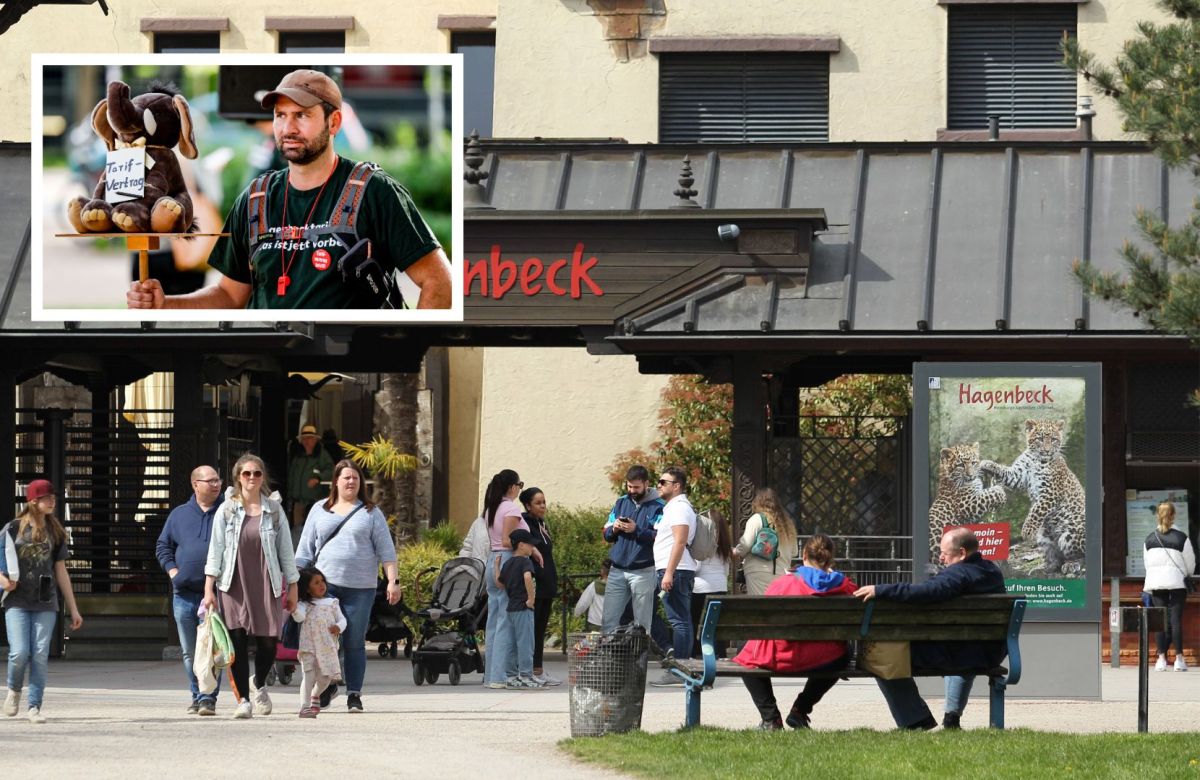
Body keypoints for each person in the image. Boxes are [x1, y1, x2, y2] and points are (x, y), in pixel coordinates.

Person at [126, 68, 452, 311]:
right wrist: (166, 303)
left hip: (353, 381)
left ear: (334, 122)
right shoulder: (255, 199)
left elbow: (440, 283)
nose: (288, 127)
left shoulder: (375, 191)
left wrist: (403, 360)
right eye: (280, 115)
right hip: (267, 378)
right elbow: (229, 295)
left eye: (302, 115)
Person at [854, 527, 1006, 730]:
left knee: (882, 657)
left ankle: (914, 720)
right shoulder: (991, 571)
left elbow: (929, 590)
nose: (942, 558)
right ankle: (950, 719)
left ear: (962, 553)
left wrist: (880, 590)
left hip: (959, 653)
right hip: (987, 652)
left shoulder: (960, 573)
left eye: (945, 553)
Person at [295, 459, 401, 713]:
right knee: (326, 640)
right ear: (336, 481)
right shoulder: (320, 509)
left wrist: (393, 582)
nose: (351, 481)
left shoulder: (370, 512)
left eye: (355, 477)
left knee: (353, 640)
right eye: (346, 477)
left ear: (360, 482)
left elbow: (387, 550)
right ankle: (328, 685)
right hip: (323, 587)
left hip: (360, 588)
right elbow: (304, 550)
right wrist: (295, 583)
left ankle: (354, 693)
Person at [203, 453, 298, 719]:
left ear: (263, 477)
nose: (252, 478)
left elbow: (286, 552)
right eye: (247, 474)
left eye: (257, 473)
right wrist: (209, 588)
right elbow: (216, 550)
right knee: (238, 642)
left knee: (269, 643)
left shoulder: (274, 510)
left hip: (266, 582)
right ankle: (243, 699)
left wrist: (293, 585)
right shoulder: (227, 509)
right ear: (238, 477)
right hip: (233, 583)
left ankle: (258, 682)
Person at [734, 534, 858, 730]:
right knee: (844, 652)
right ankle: (800, 709)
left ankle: (771, 718)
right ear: (830, 558)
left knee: (745, 651)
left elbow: (764, 622)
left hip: (782, 656)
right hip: (825, 659)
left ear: (804, 554)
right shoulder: (844, 586)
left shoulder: (783, 584)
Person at [0, 480, 83, 724]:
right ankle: (14, 689)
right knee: (19, 653)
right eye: (47, 498)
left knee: (39, 654)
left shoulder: (56, 532)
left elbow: (61, 571)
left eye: (53, 498)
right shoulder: (12, 529)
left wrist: (73, 608)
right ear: (33, 501)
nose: (52, 501)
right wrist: (3, 580)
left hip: (46, 600)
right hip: (16, 600)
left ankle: (34, 706)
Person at [155, 464, 224, 715]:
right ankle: (197, 694)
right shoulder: (179, 514)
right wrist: (173, 572)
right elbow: (163, 546)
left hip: (216, 595)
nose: (216, 484)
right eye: (210, 481)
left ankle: (208, 697)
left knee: (213, 649)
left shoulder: (227, 512)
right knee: (190, 651)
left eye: (218, 480)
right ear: (196, 484)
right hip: (184, 594)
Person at [481, 469, 539, 689]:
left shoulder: (491, 508)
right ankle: (499, 676)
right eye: (520, 484)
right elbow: (508, 541)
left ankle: (491, 676)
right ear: (512, 486)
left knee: (493, 620)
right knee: (506, 620)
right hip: (507, 561)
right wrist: (532, 550)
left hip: (492, 560)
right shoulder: (511, 509)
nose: (519, 489)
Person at [601, 465, 665, 633]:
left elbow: (660, 537)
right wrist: (614, 529)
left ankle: (639, 659)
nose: (632, 491)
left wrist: (636, 530)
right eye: (629, 486)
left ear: (646, 484)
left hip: (644, 570)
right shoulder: (621, 502)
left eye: (636, 487)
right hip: (617, 570)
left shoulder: (658, 506)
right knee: (608, 619)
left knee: (642, 624)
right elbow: (606, 534)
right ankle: (609, 657)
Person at [651, 466, 698, 687]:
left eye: (663, 482)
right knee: (681, 620)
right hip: (676, 570)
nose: (658, 485)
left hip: (676, 571)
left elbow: (680, 541)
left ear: (676, 486)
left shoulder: (679, 508)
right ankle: (682, 667)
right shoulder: (675, 507)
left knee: (679, 621)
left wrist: (668, 572)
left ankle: (679, 670)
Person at [1143, 501, 1196, 672]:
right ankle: (1179, 659)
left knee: (1160, 621)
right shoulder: (1182, 538)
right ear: (1173, 516)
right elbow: (1190, 564)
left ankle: (1161, 660)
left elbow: (1147, 565)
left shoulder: (1149, 539)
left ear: (1158, 516)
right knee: (1175, 620)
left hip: (1157, 583)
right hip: (1177, 583)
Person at [520, 486, 561, 686]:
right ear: (528, 505)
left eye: (544, 502)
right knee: (532, 628)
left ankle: (538, 668)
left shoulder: (540, 523)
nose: (543, 506)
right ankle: (529, 669)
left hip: (547, 584)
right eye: (538, 503)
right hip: (536, 585)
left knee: (541, 628)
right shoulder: (525, 523)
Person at [292, 566, 346, 718]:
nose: (321, 584)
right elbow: (299, 617)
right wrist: (293, 609)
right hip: (309, 646)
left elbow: (343, 620)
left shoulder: (332, 603)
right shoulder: (304, 605)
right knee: (308, 676)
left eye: (322, 581)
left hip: (328, 647)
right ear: (307, 589)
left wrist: (339, 627)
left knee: (326, 678)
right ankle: (304, 706)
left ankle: (315, 695)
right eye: (316, 583)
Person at [496, 529, 541, 689]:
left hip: (511, 608)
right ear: (521, 545)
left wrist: (496, 566)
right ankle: (526, 675)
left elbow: (499, 584)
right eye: (530, 545)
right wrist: (531, 599)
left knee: (512, 643)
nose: (532, 548)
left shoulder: (508, 563)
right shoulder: (525, 561)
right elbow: (527, 577)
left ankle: (511, 676)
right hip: (523, 607)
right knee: (526, 643)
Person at [733, 487, 799, 596]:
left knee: (760, 608)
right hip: (782, 572)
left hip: (758, 571)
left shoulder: (757, 519)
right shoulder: (788, 524)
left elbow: (745, 545)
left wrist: (735, 551)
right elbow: (794, 552)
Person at [691, 508, 733, 658]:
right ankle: (719, 653)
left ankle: (697, 653)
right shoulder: (725, 545)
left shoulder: (703, 542)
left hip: (701, 588)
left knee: (696, 622)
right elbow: (726, 571)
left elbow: (696, 567)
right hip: (720, 587)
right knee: (716, 623)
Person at [286, 424, 333, 547]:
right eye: (304, 438)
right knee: (297, 530)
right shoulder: (298, 457)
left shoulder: (322, 455)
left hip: (315, 502)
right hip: (298, 502)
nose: (307, 441)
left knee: (314, 530)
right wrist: (290, 496)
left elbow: (331, 471)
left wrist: (318, 478)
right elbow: (292, 477)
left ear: (316, 440)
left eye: (310, 438)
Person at [574, 560, 613, 631]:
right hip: (614, 626)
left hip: (595, 625)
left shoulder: (594, 586)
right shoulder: (620, 587)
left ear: (602, 571)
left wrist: (577, 614)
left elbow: (582, 604)